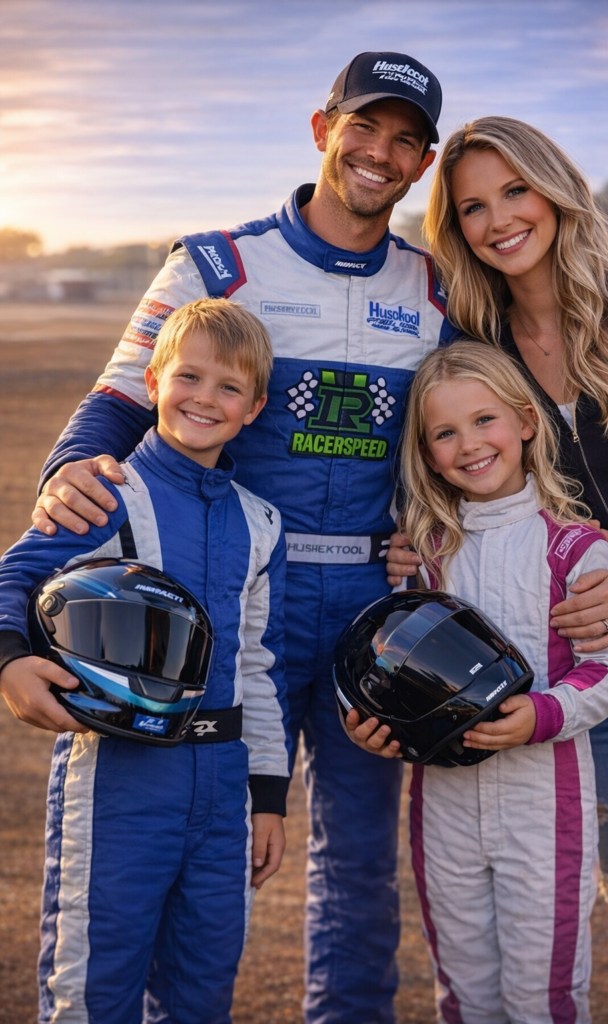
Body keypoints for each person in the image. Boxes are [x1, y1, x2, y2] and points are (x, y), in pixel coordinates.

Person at [26, 52, 457, 1023]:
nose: (378, 153)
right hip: (232, 606)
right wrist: (64, 478)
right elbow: (120, 396)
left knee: (355, 865)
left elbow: (469, 433)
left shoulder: (436, 289)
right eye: (363, 128)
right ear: (321, 128)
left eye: (403, 140)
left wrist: (423, 538)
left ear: (421, 162)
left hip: (365, 613)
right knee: (181, 850)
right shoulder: (216, 262)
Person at [386, 116, 608, 1023]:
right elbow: (452, 479)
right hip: (578, 692)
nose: (498, 219)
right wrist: (416, 542)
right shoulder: (475, 350)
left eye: (514, 190)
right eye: (471, 205)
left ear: (554, 190)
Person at [0, 298, 289, 1023]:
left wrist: (268, 798)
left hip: (222, 794)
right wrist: (8, 661)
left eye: (229, 387)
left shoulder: (261, 522)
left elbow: (257, 664)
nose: (205, 398)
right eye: (189, 376)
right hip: (120, 780)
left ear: (253, 407)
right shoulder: (105, 492)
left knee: (201, 992)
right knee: (93, 989)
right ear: (154, 382)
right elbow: (11, 578)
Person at [349, 341, 608, 1023]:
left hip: (546, 808)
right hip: (441, 806)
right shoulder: (423, 551)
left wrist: (537, 714)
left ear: (526, 422)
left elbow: (605, 673)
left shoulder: (575, 545)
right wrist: (372, 724)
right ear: (425, 450)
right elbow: (389, 671)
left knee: (541, 998)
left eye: (485, 421)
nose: (468, 444)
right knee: (465, 994)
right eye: (444, 432)